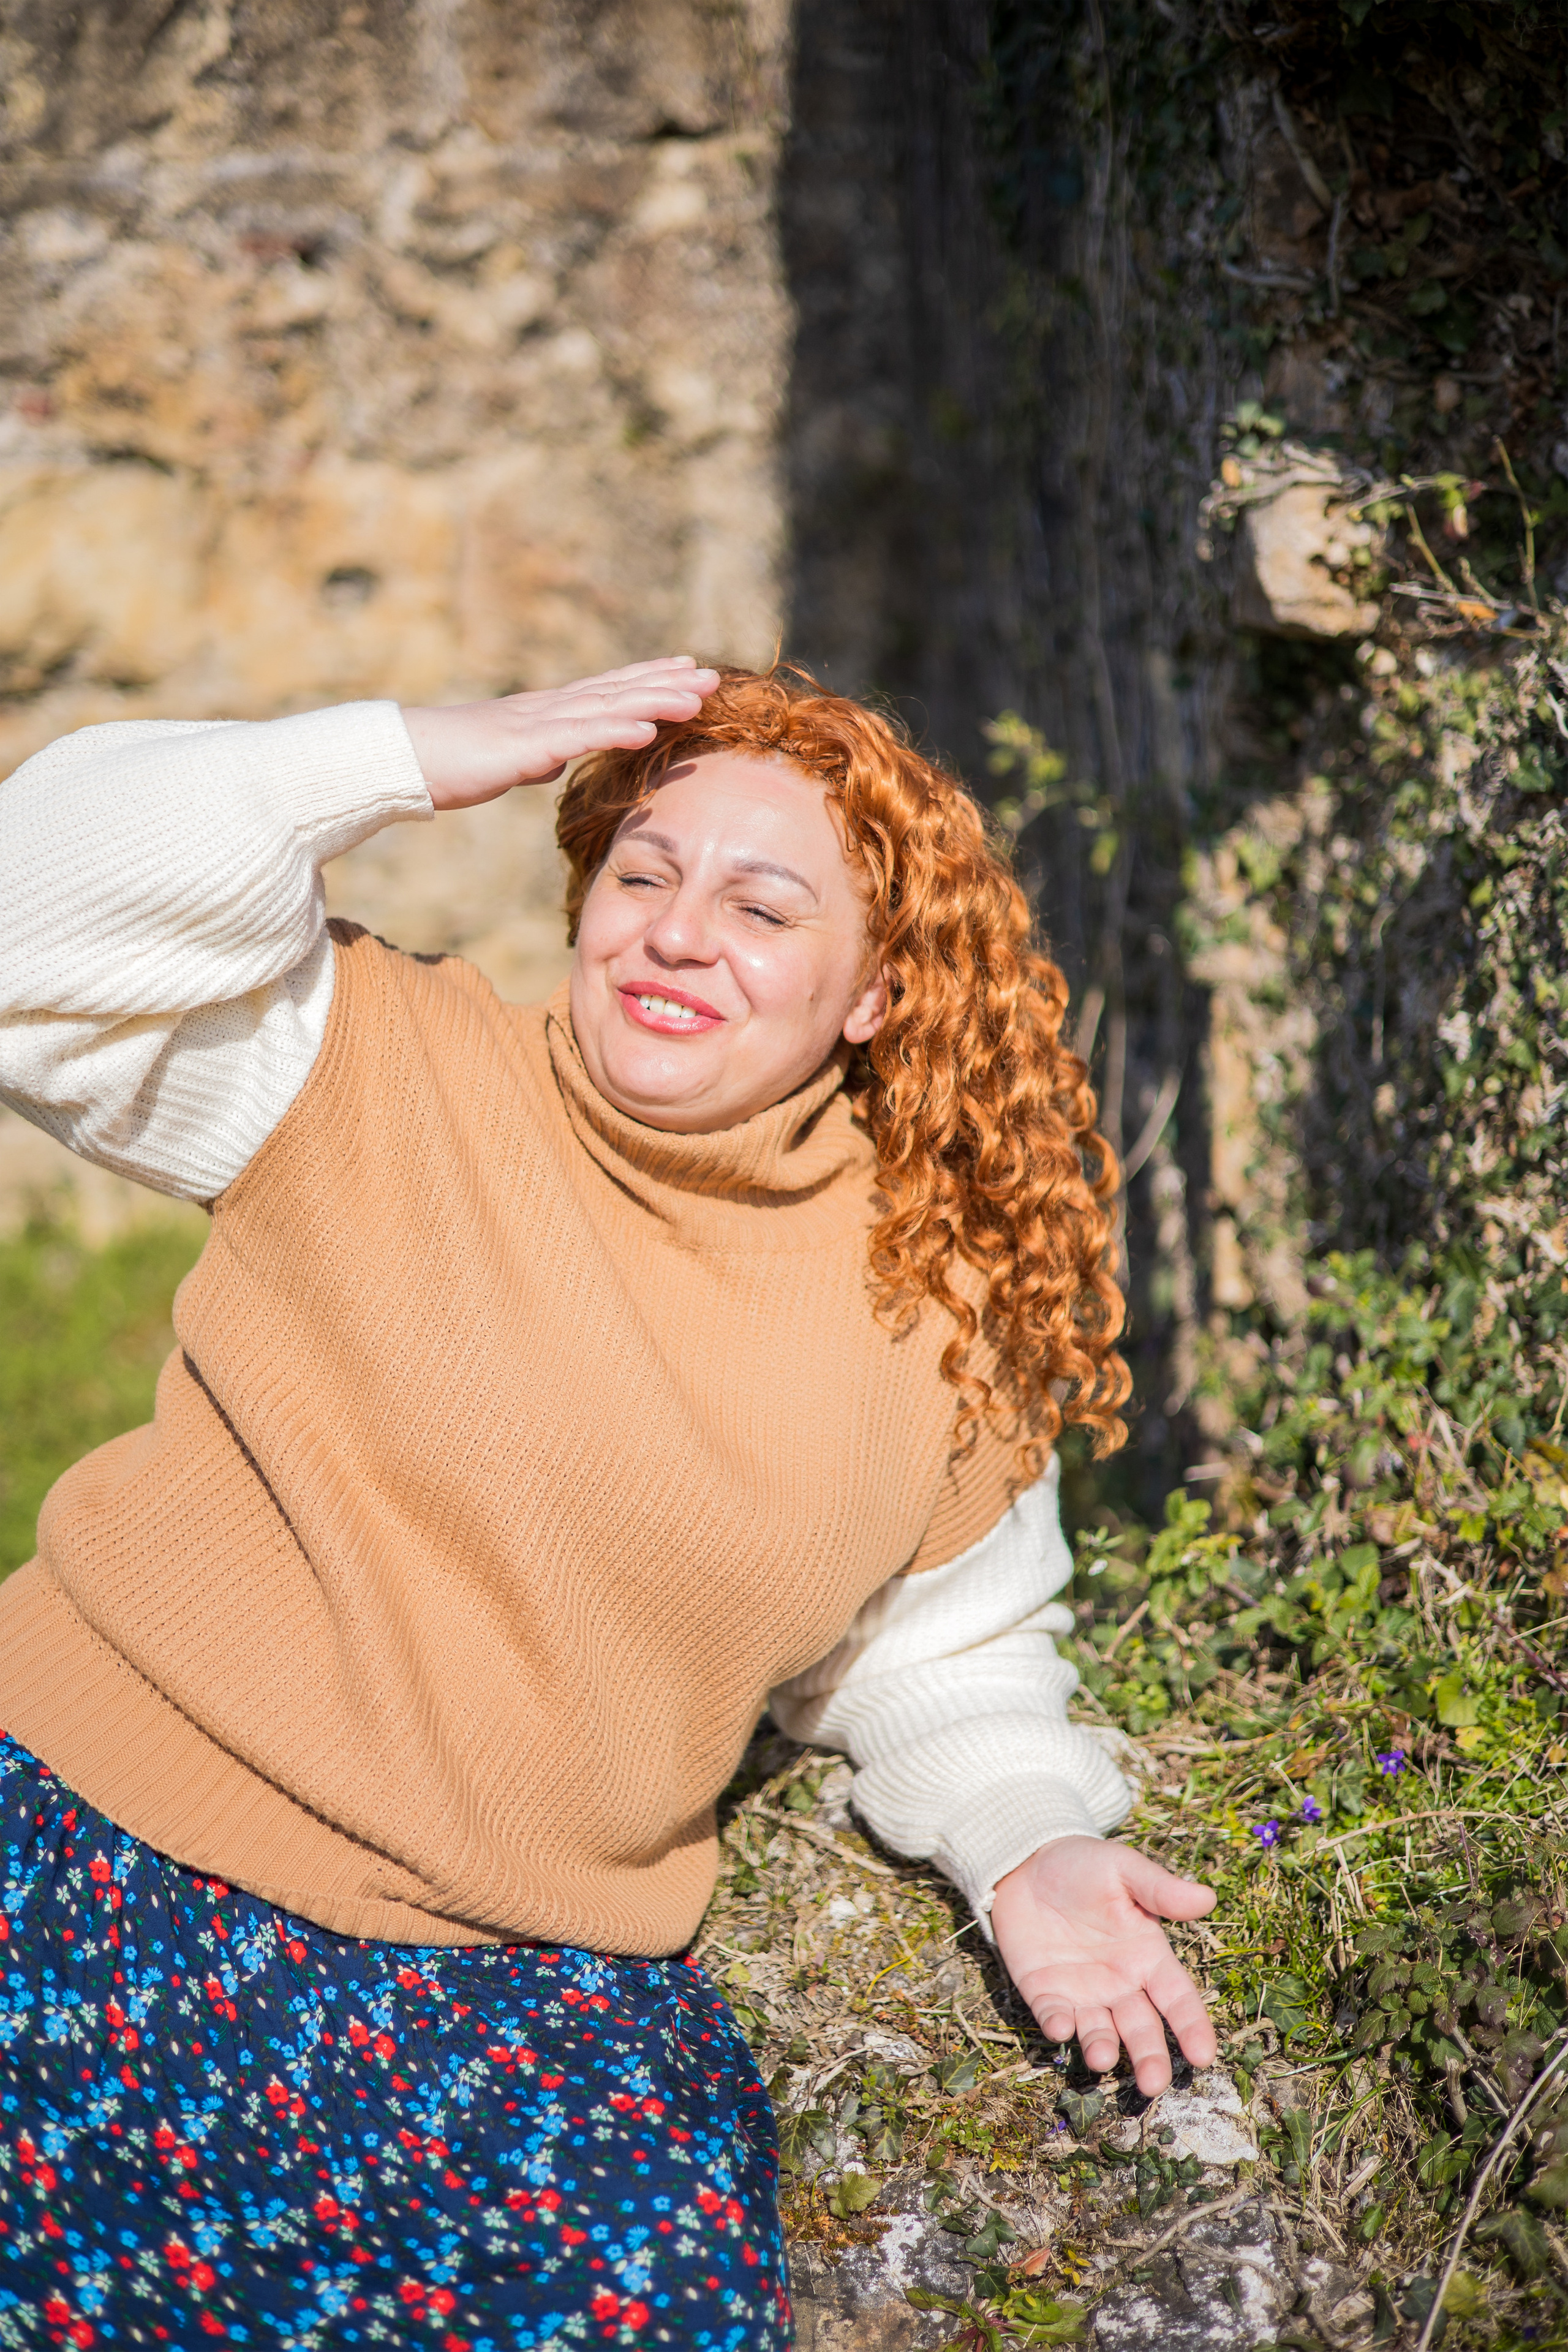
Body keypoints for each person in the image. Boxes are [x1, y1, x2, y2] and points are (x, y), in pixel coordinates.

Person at [0, 658, 1216, 2349]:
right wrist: (406, 753)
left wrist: (1030, 1838)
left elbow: (942, 1652)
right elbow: (24, 916)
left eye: (761, 904)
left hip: (500, 1979)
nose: (673, 927)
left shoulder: (935, 1315)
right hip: (71, 1847)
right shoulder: (369, 1066)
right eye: (639, 873)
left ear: (876, 992)